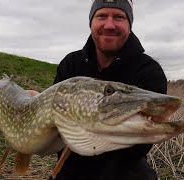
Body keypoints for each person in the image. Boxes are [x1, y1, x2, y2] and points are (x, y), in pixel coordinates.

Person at [53, 0, 167, 179]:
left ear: (129, 24)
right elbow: (55, 129)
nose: (109, 25)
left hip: (123, 171)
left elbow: (138, 146)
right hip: (71, 169)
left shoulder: (149, 71)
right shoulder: (70, 64)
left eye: (119, 17)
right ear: (91, 22)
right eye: (102, 16)